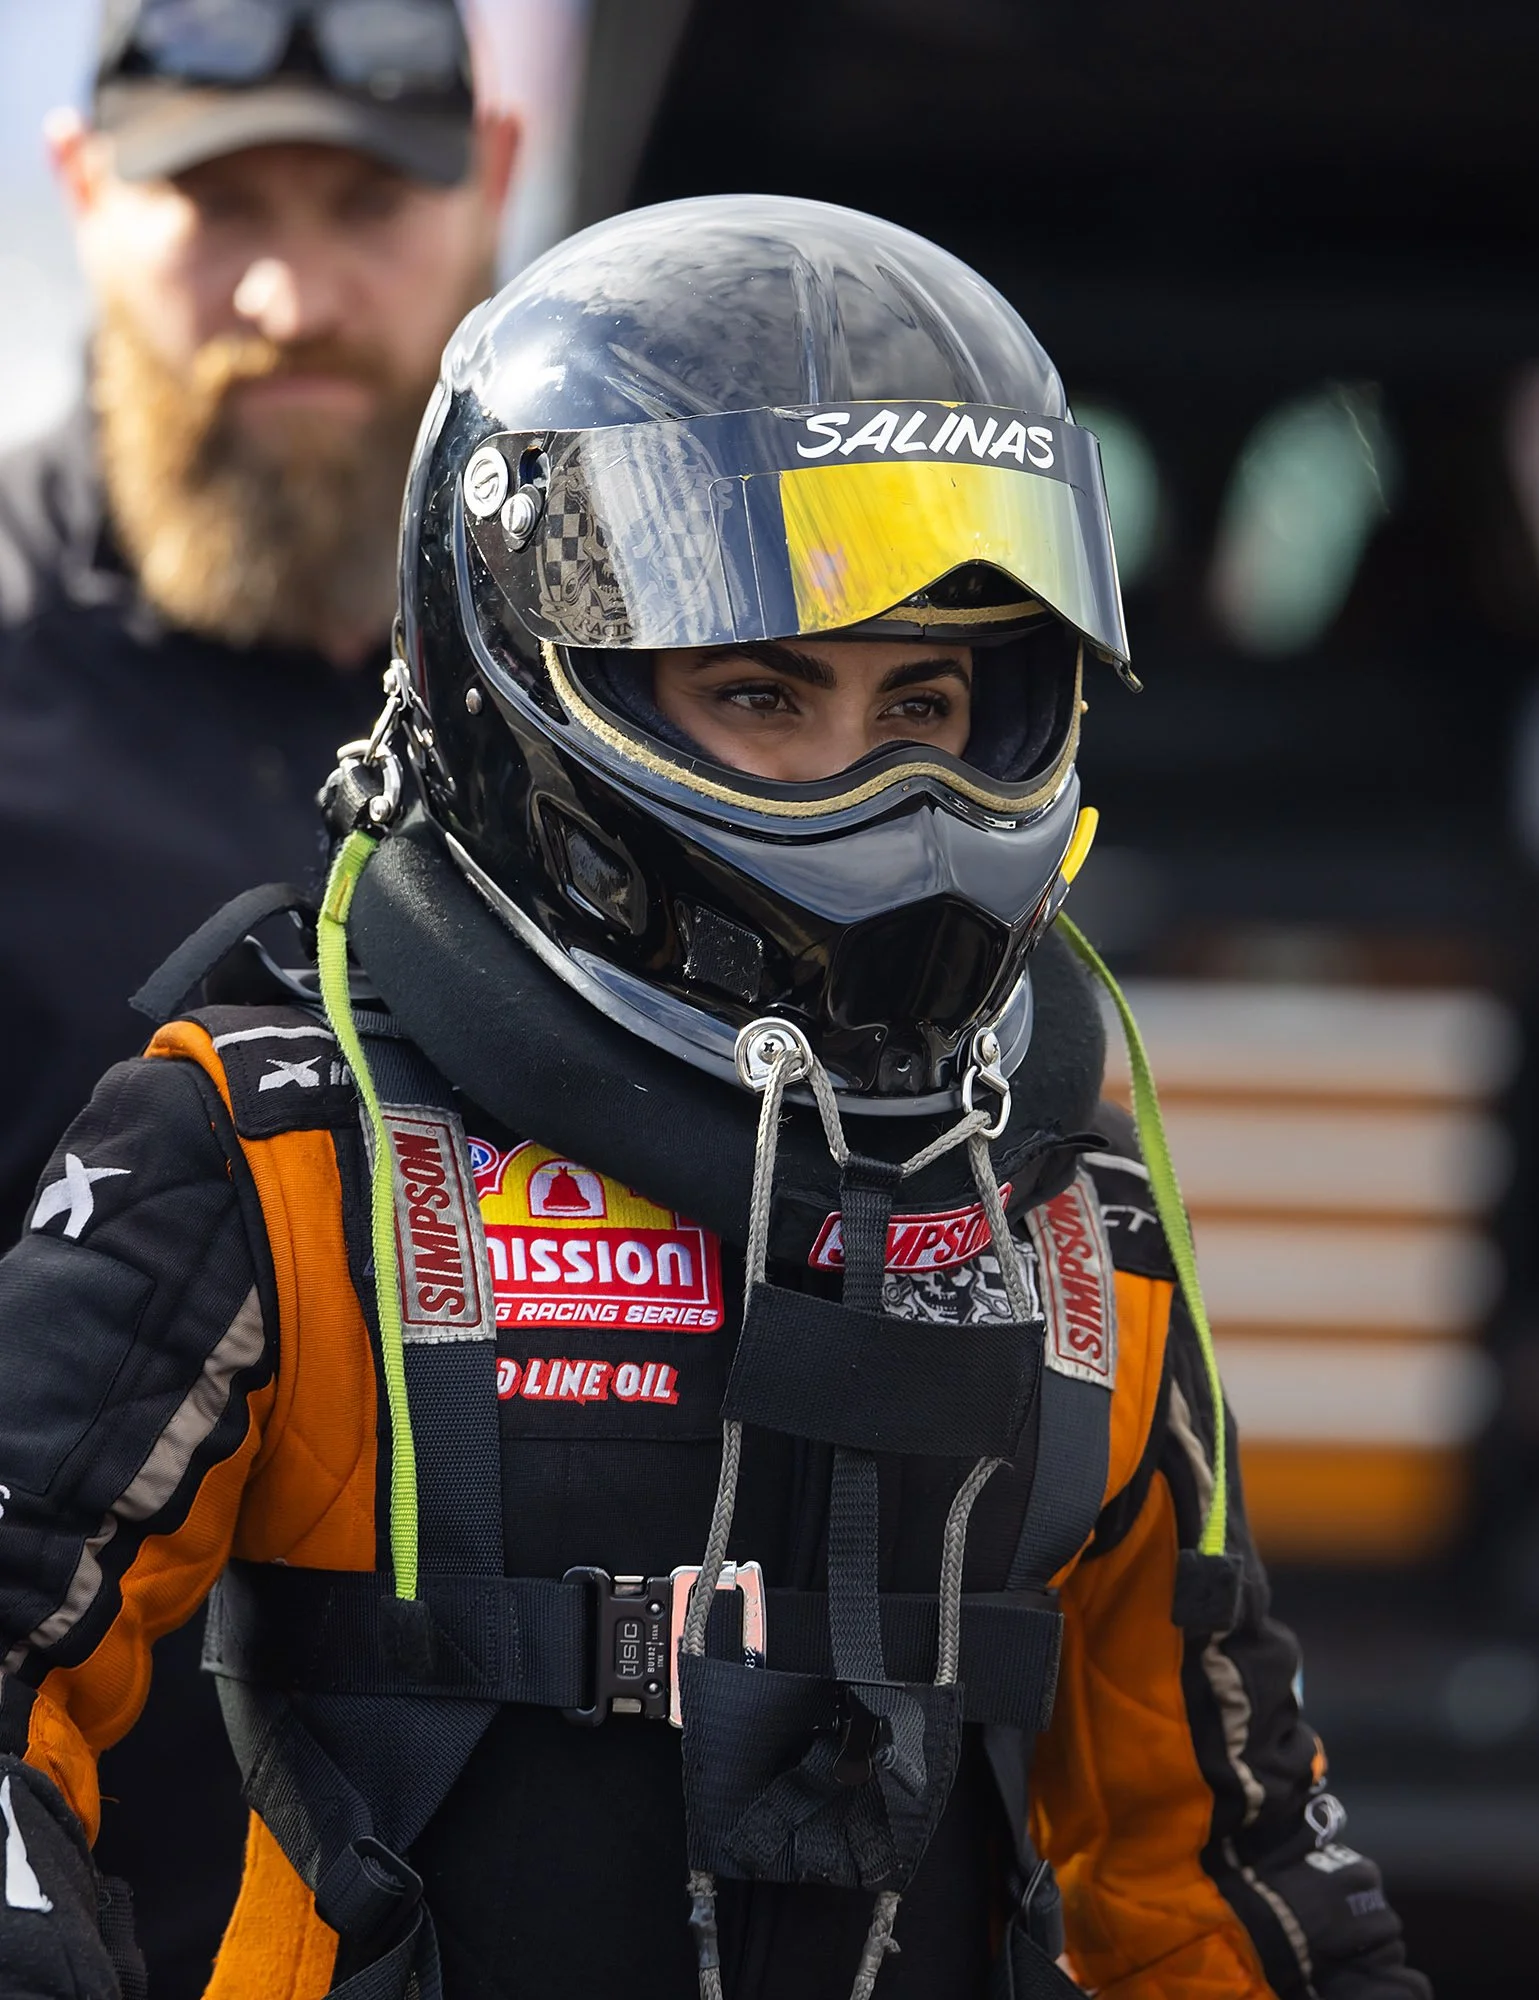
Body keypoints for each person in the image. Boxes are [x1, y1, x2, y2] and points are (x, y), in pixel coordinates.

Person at [0, 197, 1429, 2000]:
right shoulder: (277, 1151)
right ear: (538, 687)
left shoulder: (1074, 1235)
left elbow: (1221, 1874)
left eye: (922, 703)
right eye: (764, 692)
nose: (875, 787)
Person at [0, 2, 517, 1988]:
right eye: (220, 207)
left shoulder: (648, 709)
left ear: (489, 184)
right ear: (81, 190)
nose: (292, 295)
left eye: (365, 205)